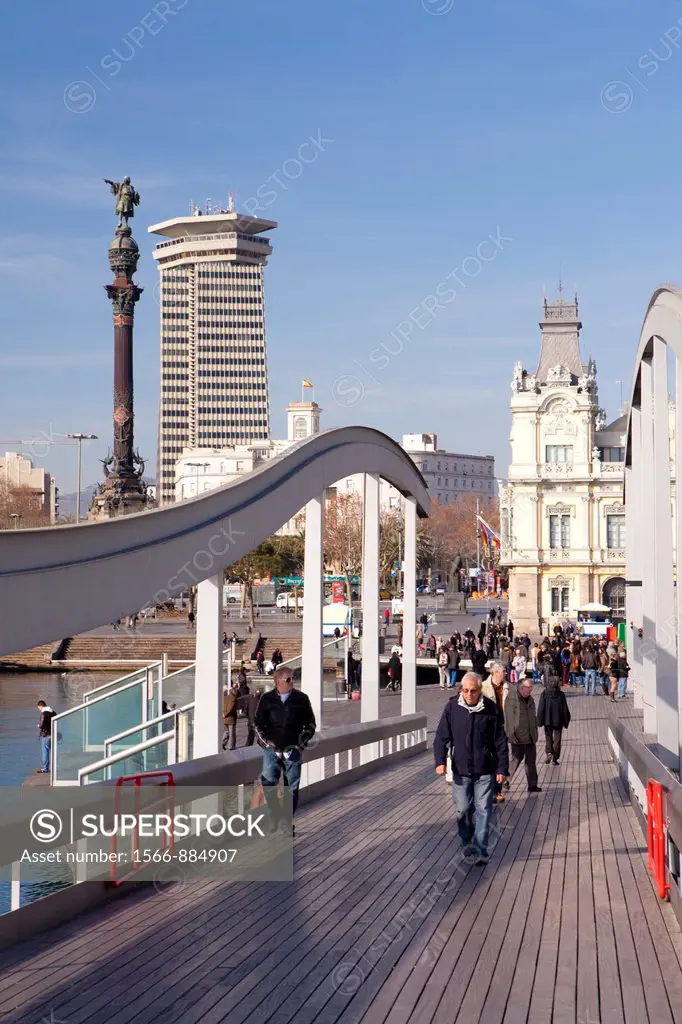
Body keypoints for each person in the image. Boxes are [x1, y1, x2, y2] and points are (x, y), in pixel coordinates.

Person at [433, 673, 509, 865]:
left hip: (485, 769)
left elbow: (500, 741)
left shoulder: (490, 709)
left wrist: (501, 768)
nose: (469, 694)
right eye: (465, 690)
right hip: (461, 769)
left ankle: (480, 849)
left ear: (479, 690)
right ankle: (466, 837)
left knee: (484, 809)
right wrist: (439, 761)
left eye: (473, 691)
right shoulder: (452, 708)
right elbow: (441, 736)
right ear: (461, 690)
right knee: (463, 809)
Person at [254, 668, 316, 835]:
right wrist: (267, 744)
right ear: (278, 682)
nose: (292, 682)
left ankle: (287, 823)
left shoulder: (301, 699)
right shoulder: (267, 699)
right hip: (271, 751)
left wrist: (299, 745)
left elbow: (310, 725)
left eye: (293, 679)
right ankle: (275, 814)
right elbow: (258, 724)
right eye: (289, 679)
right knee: (268, 784)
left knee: (292, 788)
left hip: (293, 751)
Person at [504, 679, 542, 792]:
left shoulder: (531, 700)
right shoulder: (512, 700)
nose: (530, 690)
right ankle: (505, 780)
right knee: (515, 760)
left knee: (531, 762)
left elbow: (532, 717)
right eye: (528, 688)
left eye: (531, 688)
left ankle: (532, 784)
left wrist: (536, 725)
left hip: (530, 737)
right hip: (518, 737)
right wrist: (512, 736)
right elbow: (508, 719)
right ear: (521, 688)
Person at [536, 674, 571, 764]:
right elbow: (564, 708)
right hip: (558, 720)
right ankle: (555, 758)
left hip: (547, 719)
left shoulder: (545, 693)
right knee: (557, 739)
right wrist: (566, 720)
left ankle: (549, 753)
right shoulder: (561, 694)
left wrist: (539, 720)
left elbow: (541, 707)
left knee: (548, 737)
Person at [36, 700, 57, 774]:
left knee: (45, 752)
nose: (39, 709)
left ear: (40, 706)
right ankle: (54, 767)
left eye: (38, 707)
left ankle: (45, 768)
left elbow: (41, 725)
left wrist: (38, 726)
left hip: (45, 735)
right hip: (53, 734)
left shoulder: (43, 714)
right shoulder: (53, 712)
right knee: (53, 751)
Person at [222, 684, 239, 751]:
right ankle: (231, 746)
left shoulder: (225, 698)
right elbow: (230, 708)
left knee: (226, 732)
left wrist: (223, 714)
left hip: (225, 719)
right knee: (232, 733)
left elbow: (223, 707)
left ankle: (222, 743)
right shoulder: (233, 698)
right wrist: (226, 714)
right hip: (230, 719)